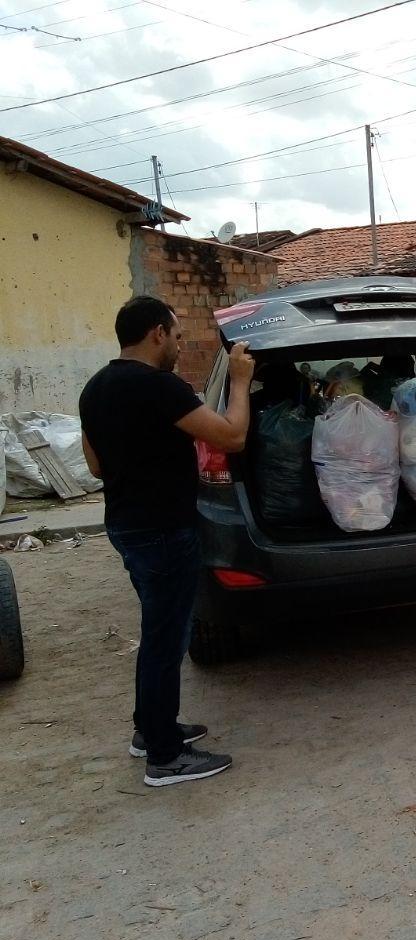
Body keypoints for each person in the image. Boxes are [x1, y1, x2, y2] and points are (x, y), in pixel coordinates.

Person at [80, 296, 255, 787]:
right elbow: (232, 436)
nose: (180, 346)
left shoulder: (95, 388)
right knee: (164, 640)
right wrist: (239, 380)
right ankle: (165, 757)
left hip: (128, 527)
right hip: (163, 530)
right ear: (157, 333)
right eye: (177, 336)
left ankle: (151, 731)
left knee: (161, 634)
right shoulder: (159, 388)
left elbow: (95, 466)